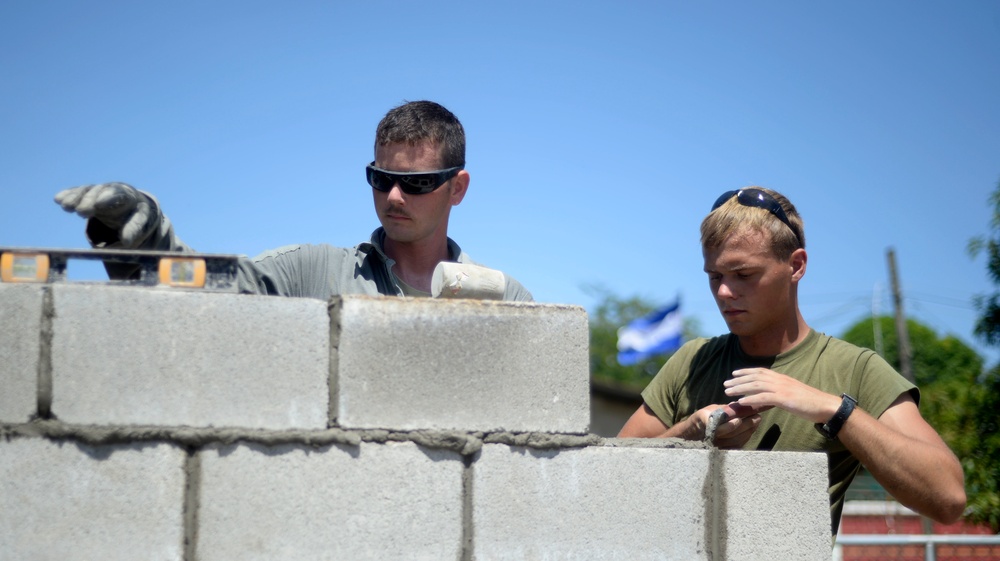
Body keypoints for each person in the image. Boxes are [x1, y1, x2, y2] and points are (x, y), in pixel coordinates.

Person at [618, 187, 965, 534]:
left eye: (743, 274)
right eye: (715, 277)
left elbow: (947, 498)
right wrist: (693, 433)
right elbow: (608, 481)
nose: (724, 292)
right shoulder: (692, 361)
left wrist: (833, 410)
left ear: (796, 265)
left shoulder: (855, 369)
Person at [54, 100, 532, 301]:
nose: (392, 196)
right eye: (379, 177)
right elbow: (211, 288)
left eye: (416, 183)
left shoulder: (505, 299)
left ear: (458, 188)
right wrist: (145, 239)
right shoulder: (312, 274)